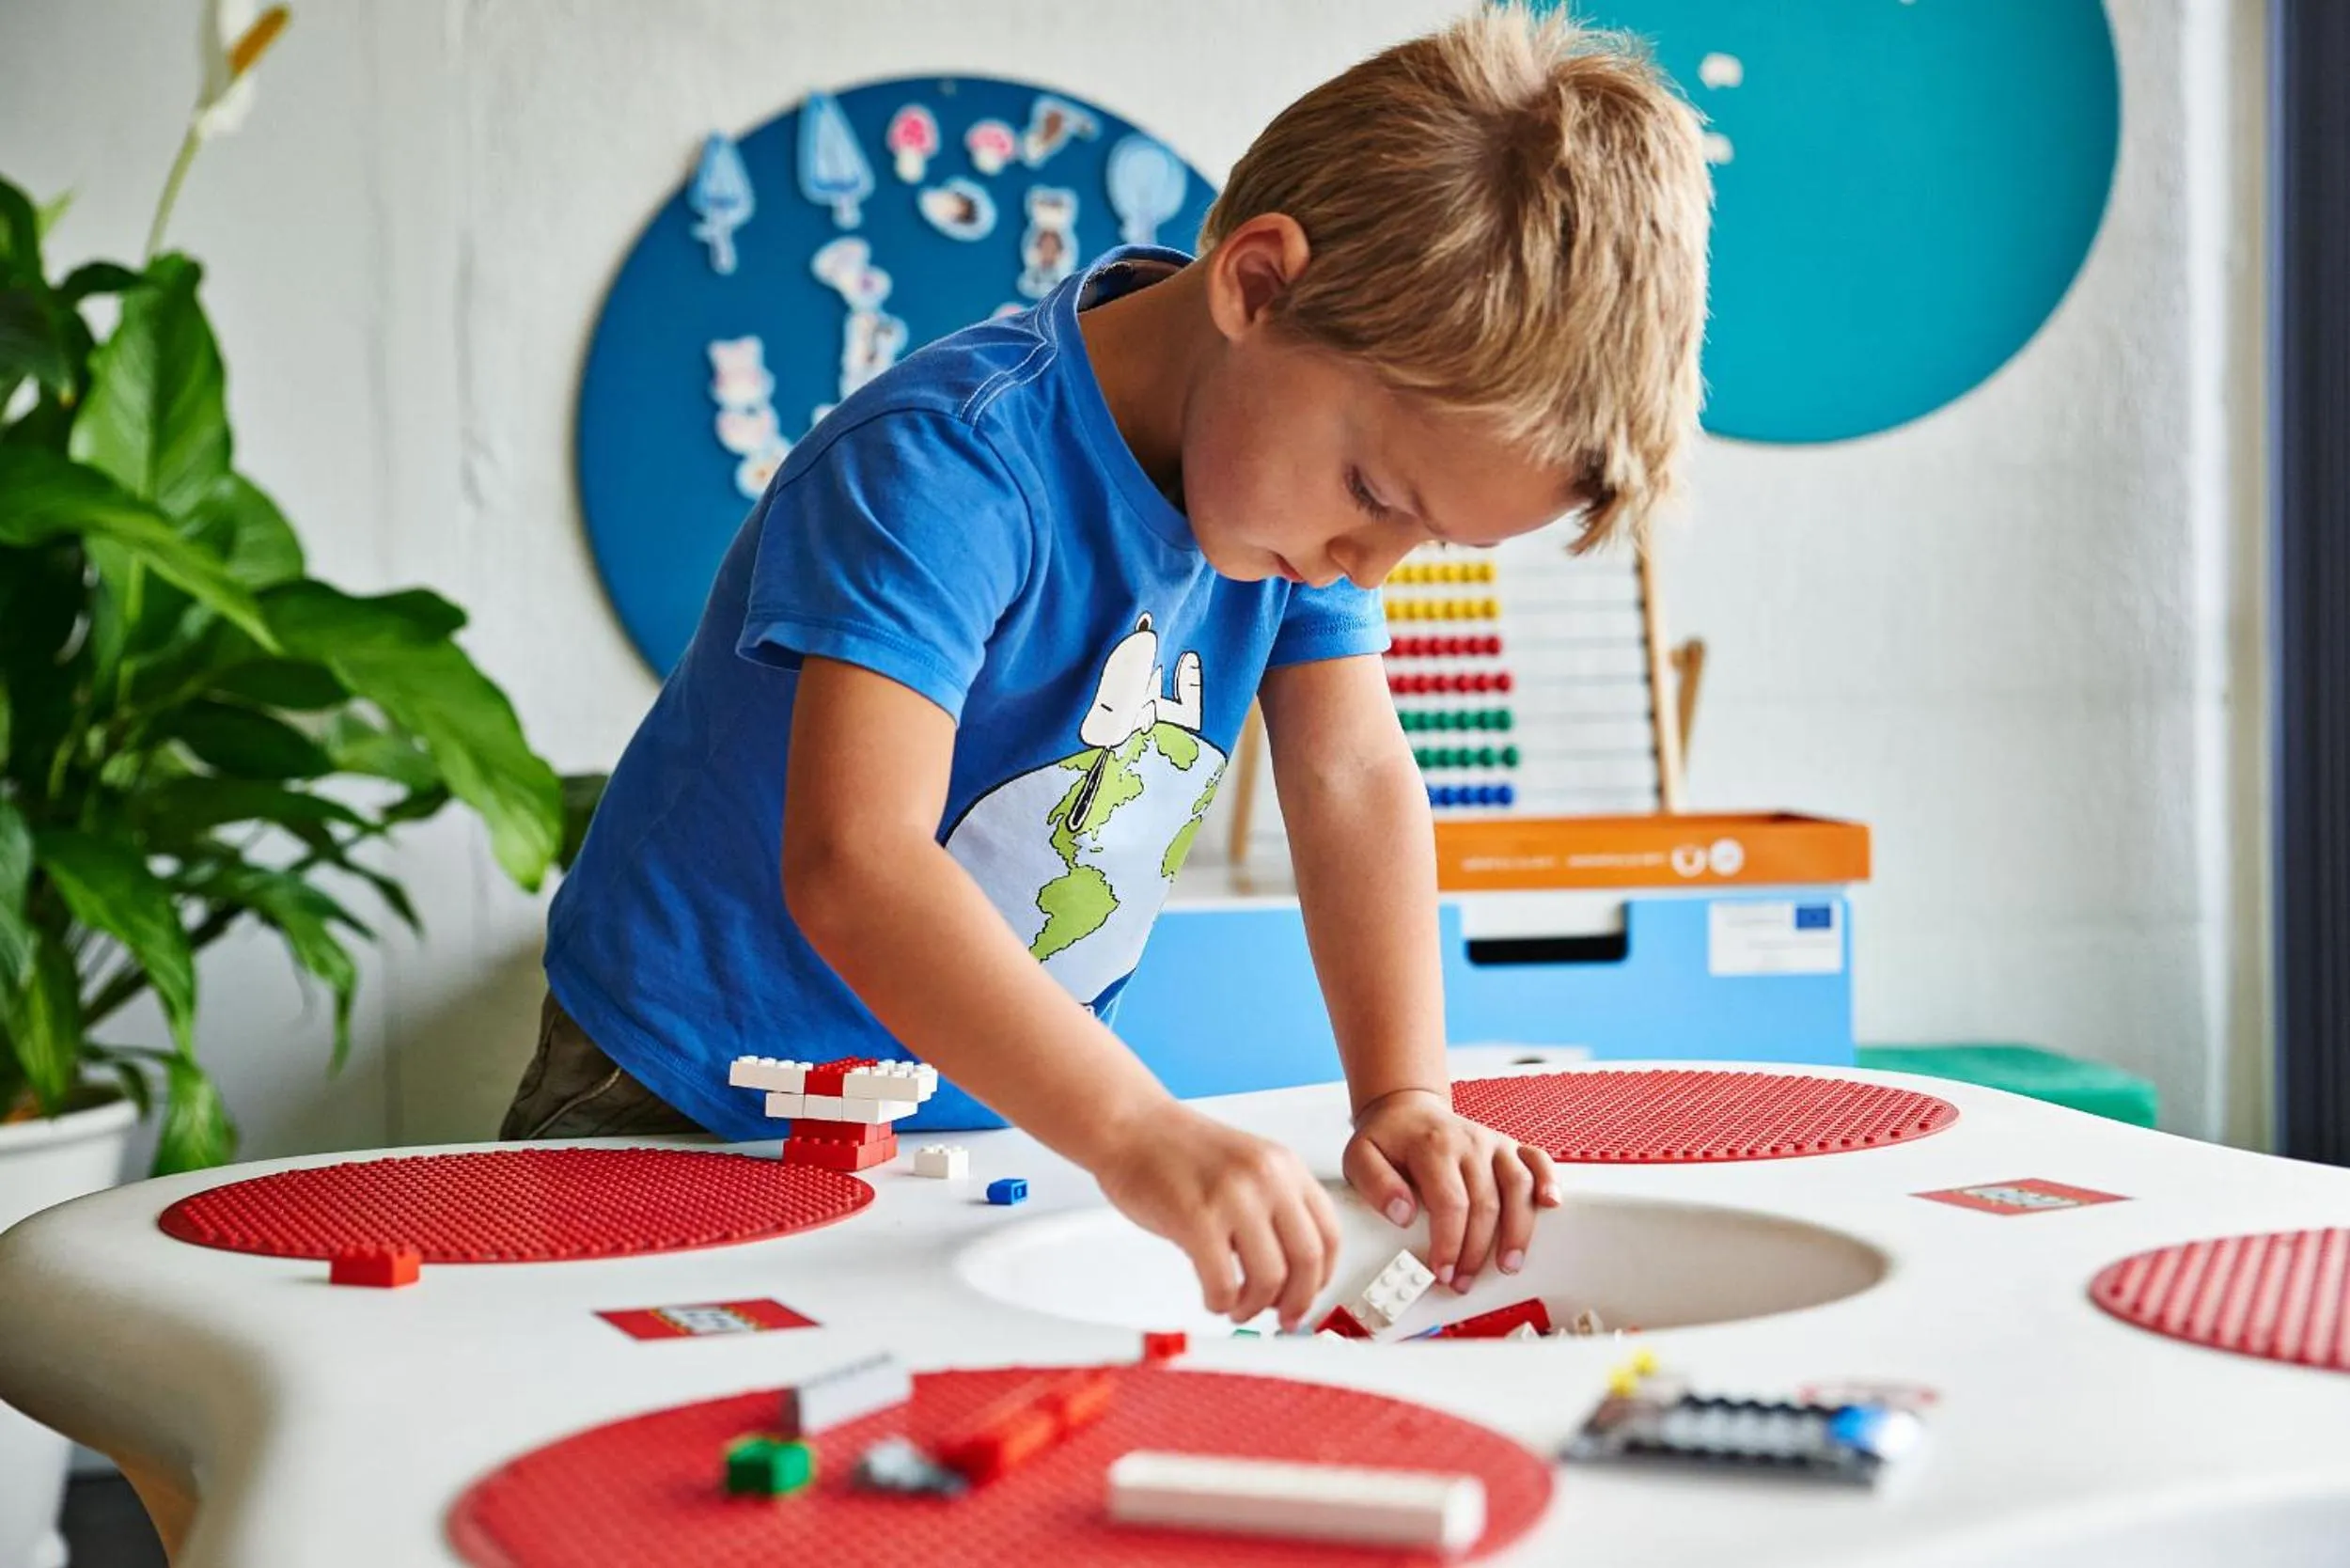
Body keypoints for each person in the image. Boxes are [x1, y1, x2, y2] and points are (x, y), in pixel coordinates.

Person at [505, 4, 1711, 1333]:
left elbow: (1354, 770)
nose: (1369, 569)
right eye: (1376, 494)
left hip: (978, 1119)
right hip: (677, 1096)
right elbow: (857, 863)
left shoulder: (1286, 519)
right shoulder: (947, 468)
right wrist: (1137, 1129)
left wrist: (1404, 1096)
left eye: (1420, 537)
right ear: (1257, 285)